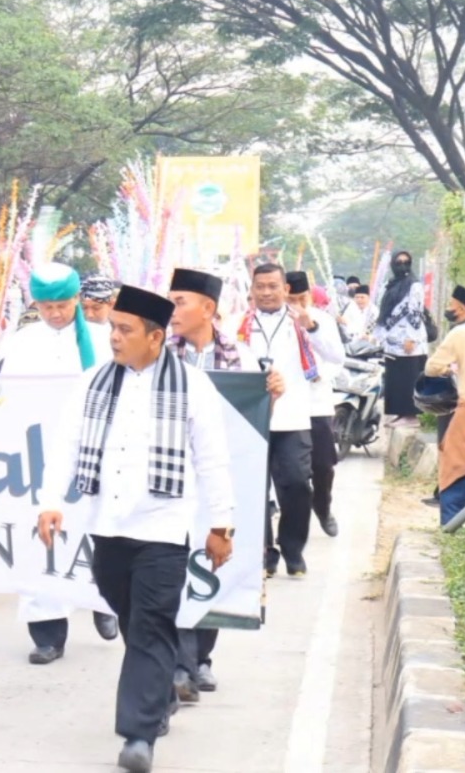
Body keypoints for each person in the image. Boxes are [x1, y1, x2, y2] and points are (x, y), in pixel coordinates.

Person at [37, 285, 235, 773]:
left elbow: (212, 459)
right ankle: (159, 689)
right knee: (129, 614)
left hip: (163, 528)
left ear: (155, 336)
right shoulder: (93, 381)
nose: (114, 337)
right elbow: (65, 443)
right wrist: (51, 501)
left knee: (150, 624)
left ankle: (139, 734)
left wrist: (221, 525)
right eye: (112, 328)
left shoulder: (192, 386)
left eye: (125, 329)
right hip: (107, 525)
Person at [164, 268, 279, 702]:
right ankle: (181, 666)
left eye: (180, 302)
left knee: (212, 565)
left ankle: (200, 659)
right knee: (175, 568)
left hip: (220, 479)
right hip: (171, 480)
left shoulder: (241, 358)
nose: (172, 311)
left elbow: (252, 415)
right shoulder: (160, 356)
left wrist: (271, 394)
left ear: (207, 308)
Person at [0, 264, 119, 661]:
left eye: (63, 305)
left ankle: (104, 602)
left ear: (77, 299)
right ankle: (48, 633)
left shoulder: (105, 339)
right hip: (39, 454)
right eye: (47, 307)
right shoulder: (20, 343)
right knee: (42, 539)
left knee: (99, 530)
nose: (55, 314)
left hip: (96, 453)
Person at [237, 263, 318, 578]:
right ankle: (264, 553)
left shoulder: (306, 321)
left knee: (297, 484)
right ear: (252, 289)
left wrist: (312, 327)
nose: (266, 293)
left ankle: (292, 548)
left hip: (293, 418)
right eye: (260, 286)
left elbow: (335, 356)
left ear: (286, 289)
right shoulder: (237, 325)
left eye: (273, 286)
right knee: (253, 489)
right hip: (250, 419)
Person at [286, 273, 346, 540]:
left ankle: (323, 507)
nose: (297, 305)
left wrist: (310, 327)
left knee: (323, 465)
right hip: (287, 405)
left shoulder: (322, 320)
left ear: (309, 296)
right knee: (293, 471)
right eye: (292, 299)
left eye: (302, 299)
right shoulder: (278, 323)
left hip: (317, 403)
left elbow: (337, 357)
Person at [425, 285, 465, 525]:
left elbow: (432, 368)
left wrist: (451, 369)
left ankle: (452, 531)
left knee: (456, 473)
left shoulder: (463, 334)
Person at [374, 251, 431, 427]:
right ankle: (400, 413)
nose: (403, 266)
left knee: (409, 377)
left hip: (409, 342)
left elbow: (415, 312)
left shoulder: (414, 285)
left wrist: (411, 338)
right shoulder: (391, 285)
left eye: (406, 262)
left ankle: (411, 416)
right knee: (396, 378)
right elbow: (384, 312)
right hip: (393, 342)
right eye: (399, 262)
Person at [82, 277, 118, 365]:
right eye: (84, 308)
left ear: (112, 304)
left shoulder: (122, 334)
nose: (89, 315)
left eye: (96, 308)